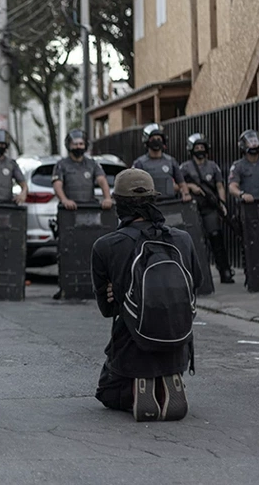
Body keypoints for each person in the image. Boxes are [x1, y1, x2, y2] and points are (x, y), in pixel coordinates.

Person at [92, 169, 203, 422]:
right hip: (177, 346)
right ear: (154, 199)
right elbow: (197, 284)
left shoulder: (106, 245)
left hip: (133, 350)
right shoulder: (182, 239)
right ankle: (168, 379)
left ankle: (136, 389)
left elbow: (107, 310)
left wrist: (118, 290)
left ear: (119, 204)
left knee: (107, 393)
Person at [180, 133, 234, 284]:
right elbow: (177, 184)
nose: (200, 150)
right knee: (195, 241)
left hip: (210, 207)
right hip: (192, 209)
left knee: (216, 238)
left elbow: (219, 185)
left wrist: (222, 203)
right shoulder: (185, 167)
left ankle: (225, 270)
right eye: (197, 147)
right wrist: (190, 187)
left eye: (202, 147)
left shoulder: (212, 166)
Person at [52, 129, 113, 211]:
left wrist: (107, 198)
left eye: (81, 144)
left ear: (85, 145)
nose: (78, 147)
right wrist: (64, 200)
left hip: (90, 207)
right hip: (68, 209)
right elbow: (57, 185)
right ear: (69, 145)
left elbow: (102, 180)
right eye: (75, 144)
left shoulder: (92, 164)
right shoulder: (61, 165)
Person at [132, 124, 192, 202]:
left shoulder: (171, 161)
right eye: (153, 139)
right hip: (149, 205)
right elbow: (132, 186)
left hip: (170, 204)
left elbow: (181, 183)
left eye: (159, 139)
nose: (156, 141)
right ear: (147, 141)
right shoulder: (139, 163)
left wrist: (186, 194)